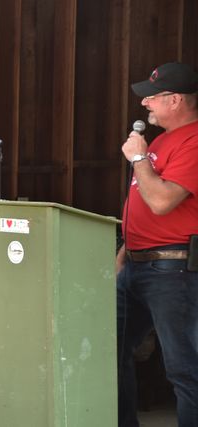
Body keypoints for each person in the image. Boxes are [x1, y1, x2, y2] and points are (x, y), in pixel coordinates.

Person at [117, 62, 198, 427]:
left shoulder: (193, 141)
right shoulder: (161, 141)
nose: (144, 103)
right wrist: (124, 252)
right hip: (135, 265)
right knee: (107, 352)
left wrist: (138, 158)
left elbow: (162, 201)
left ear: (175, 99)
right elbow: (141, 204)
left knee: (185, 368)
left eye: (151, 97)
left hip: (173, 269)